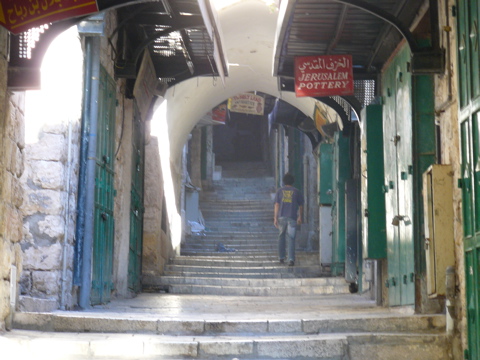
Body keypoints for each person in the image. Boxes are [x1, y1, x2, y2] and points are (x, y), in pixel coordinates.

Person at [273, 173, 304, 266]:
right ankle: (291, 259)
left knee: (281, 237)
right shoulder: (296, 191)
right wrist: (300, 216)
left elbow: (277, 205)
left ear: (284, 181)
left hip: (282, 218)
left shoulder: (279, 191)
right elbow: (301, 205)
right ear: (293, 181)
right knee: (291, 238)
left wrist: (275, 217)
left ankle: (281, 257)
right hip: (292, 218)